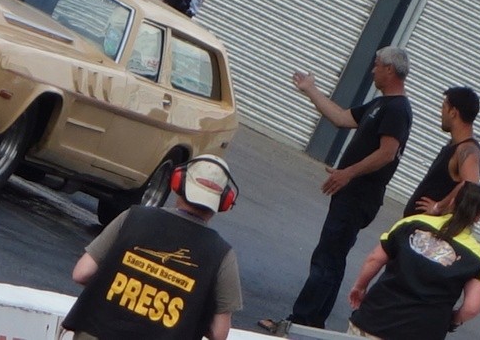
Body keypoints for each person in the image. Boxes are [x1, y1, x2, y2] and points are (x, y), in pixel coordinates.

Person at [259, 47, 413, 334]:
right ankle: (313, 323)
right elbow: (342, 117)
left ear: (390, 70)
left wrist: (348, 173)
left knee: (326, 258)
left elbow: (387, 153)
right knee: (332, 258)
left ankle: (299, 323)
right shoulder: (380, 105)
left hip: (359, 197)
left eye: (377, 65)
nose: (372, 70)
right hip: (351, 195)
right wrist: (310, 90)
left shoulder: (397, 109)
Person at [62, 154, 242, 340]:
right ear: (224, 202)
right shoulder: (223, 254)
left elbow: (82, 273)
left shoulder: (133, 217)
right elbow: (219, 333)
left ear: (178, 183)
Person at [347, 181, 480, 339]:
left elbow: (375, 259)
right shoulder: (479, 258)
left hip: (374, 319)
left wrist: (360, 287)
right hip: (423, 331)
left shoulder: (412, 223)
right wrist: (451, 320)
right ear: (478, 217)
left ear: (452, 202)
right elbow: (472, 308)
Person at [405, 86, 480, 218]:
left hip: (428, 227)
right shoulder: (455, 145)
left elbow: (470, 185)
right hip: (415, 223)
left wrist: (438, 207)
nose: (441, 112)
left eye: (443, 107)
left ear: (453, 112)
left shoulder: (467, 150)